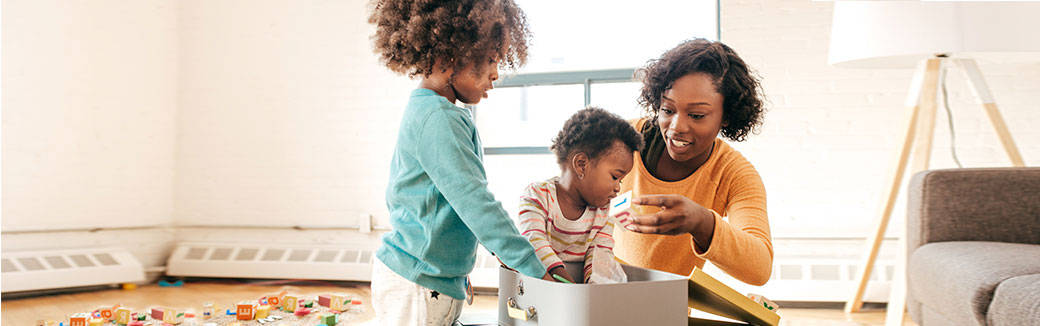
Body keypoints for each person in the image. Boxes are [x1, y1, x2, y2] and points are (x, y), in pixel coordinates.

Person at [367, 0, 554, 324]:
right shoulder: (438, 119)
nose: (496, 74)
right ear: (449, 58)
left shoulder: (434, 111)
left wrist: (456, 271)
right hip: (417, 283)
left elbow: (443, 204)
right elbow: (475, 203)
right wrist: (532, 267)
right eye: (490, 60)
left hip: (428, 279)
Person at [618, 38, 774, 286]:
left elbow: (760, 267)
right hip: (603, 294)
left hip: (670, 304)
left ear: (726, 116)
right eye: (668, 110)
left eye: (697, 115)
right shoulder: (621, 140)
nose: (676, 127)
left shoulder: (734, 174)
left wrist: (702, 223)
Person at [515, 107, 642, 284]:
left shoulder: (605, 211)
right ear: (581, 165)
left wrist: (593, 292)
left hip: (576, 293)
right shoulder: (537, 196)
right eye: (615, 177)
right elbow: (535, 244)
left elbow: (600, 258)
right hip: (537, 287)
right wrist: (570, 288)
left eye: (621, 181)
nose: (617, 188)